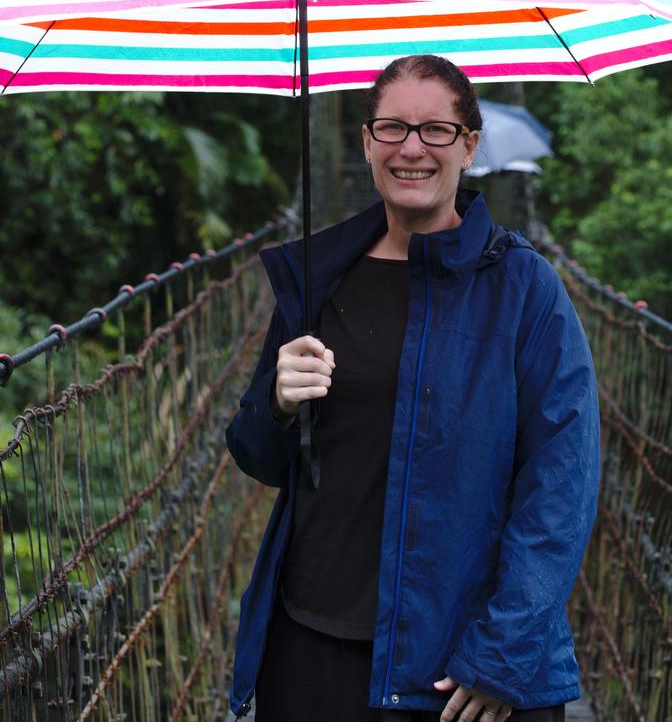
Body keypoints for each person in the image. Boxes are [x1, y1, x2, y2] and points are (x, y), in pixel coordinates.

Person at [226, 55, 600, 722]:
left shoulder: (524, 290)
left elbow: (562, 485)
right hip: (313, 645)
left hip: (458, 668)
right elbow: (259, 457)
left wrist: (503, 656)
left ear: (470, 146)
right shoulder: (318, 278)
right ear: (367, 141)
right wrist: (278, 405)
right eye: (392, 128)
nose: (412, 148)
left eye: (436, 130)